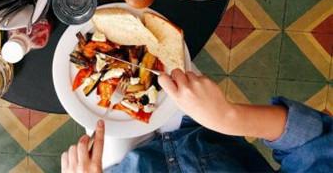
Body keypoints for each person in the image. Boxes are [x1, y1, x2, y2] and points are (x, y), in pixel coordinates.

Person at [61, 69, 333, 173]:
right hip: (206, 132)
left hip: (125, 163)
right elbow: (317, 143)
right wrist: (229, 117)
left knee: (91, 95)